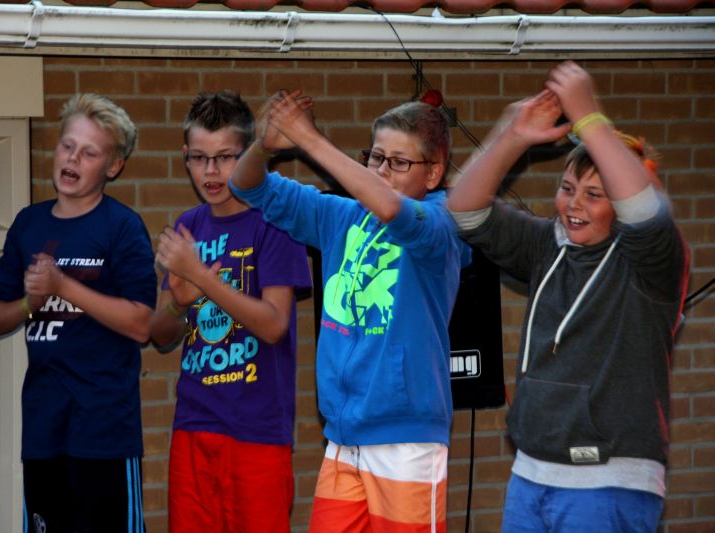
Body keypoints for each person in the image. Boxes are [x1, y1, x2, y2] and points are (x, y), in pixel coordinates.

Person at [447, 61, 689, 532]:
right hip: (531, 474)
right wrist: (511, 136)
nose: (574, 204)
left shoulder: (652, 262)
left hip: (610, 482)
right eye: (567, 188)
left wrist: (589, 117)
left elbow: (644, 211)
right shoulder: (548, 244)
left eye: (595, 194)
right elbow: (465, 210)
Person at [230, 91, 470, 533]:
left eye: (399, 162)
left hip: (406, 439)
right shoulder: (341, 216)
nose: (382, 170)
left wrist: (308, 139)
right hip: (343, 436)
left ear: (434, 173)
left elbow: (392, 208)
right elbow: (245, 185)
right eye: (376, 157)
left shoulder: (441, 224)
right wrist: (264, 146)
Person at [0, 93, 156, 533]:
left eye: (89, 152)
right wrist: (30, 304)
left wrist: (63, 286)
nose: (72, 158)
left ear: (113, 166)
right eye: (67, 145)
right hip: (43, 430)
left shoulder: (122, 226)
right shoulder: (28, 224)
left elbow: (142, 324)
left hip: (104, 433)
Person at [149, 91, 311, 533]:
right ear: (184, 156)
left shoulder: (274, 220)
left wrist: (202, 279)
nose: (211, 171)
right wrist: (180, 301)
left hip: (257, 431)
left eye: (224, 157)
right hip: (193, 425)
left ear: (248, 154)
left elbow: (274, 325)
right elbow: (161, 334)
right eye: (199, 158)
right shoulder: (189, 225)